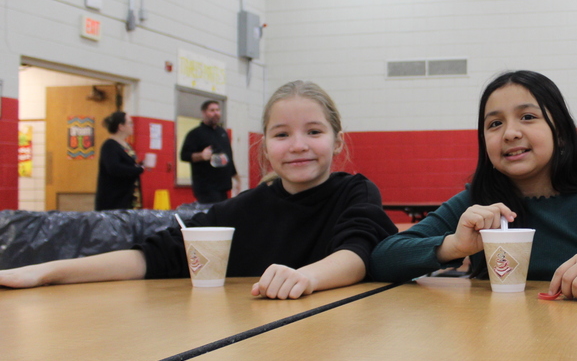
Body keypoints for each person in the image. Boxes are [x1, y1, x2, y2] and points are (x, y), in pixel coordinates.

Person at [0, 81, 397, 299]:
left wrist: (306, 277)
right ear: (264, 146)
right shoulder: (243, 210)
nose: (297, 145)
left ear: (337, 141)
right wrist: (49, 270)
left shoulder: (356, 192)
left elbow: (356, 254)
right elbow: (156, 256)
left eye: (313, 132)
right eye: (281, 134)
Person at [369, 70, 577, 300]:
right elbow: (383, 259)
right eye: (494, 123)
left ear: (560, 134)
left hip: (574, 347)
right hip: (492, 346)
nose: (510, 132)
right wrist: (453, 246)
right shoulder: (476, 203)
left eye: (528, 117)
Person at [180, 100, 239, 203]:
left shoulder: (222, 132)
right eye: (212, 110)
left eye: (217, 110)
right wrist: (201, 156)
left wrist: (236, 177)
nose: (216, 113)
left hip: (223, 187)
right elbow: (184, 155)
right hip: (206, 188)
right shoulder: (195, 134)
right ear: (204, 113)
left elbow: (228, 156)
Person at [94, 111, 144, 210]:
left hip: (128, 196)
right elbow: (114, 168)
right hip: (114, 200)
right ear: (121, 127)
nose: (132, 126)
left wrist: (140, 165)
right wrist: (138, 169)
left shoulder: (126, 145)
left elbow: (128, 165)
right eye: (130, 123)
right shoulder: (110, 145)